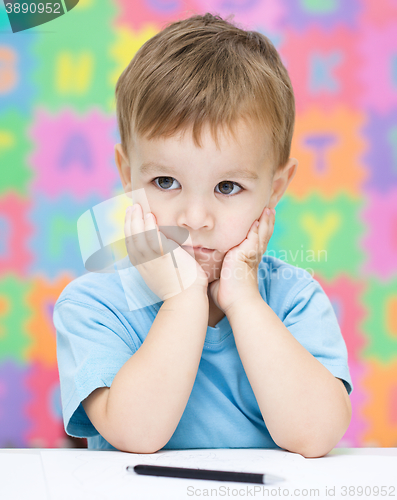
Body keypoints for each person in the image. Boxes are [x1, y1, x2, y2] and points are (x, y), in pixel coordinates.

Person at [53, 12, 353, 458]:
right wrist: (183, 299)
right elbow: (136, 435)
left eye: (227, 187)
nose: (195, 218)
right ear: (127, 173)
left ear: (274, 189)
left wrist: (244, 300)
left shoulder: (294, 298)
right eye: (166, 183)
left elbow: (315, 435)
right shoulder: (94, 305)